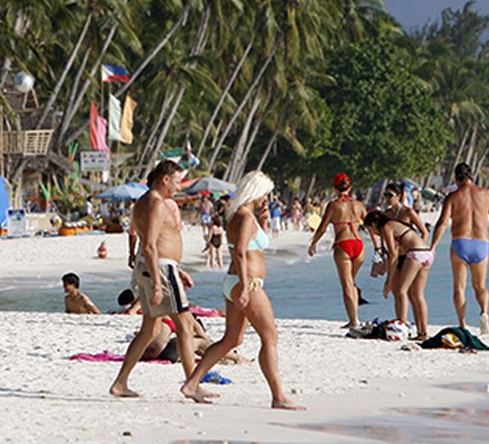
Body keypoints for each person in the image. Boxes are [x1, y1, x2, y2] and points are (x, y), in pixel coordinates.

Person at [180, 171, 302, 410]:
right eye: (265, 193)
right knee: (270, 337)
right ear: (256, 192)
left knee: (232, 339)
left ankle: (192, 383)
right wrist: (245, 287)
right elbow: (240, 252)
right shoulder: (245, 217)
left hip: (235, 281)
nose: (267, 198)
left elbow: (253, 245)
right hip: (247, 283)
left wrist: (264, 221)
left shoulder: (239, 215)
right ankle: (278, 396)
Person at [109, 160, 200, 399]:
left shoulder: (145, 202)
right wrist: (160, 283)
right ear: (165, 179)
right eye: (177, 181)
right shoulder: (156, 203)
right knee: (185, 326)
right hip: (159, 270)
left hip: (158, 268)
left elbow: (154, 243)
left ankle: (120, 383)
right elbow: (149, 246)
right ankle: (192, 384)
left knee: (149, 329)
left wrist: (177, 270)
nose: (179, 187)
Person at [429, 163, 489, 335]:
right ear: (471, 176)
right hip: (481, 244)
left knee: (459, 287)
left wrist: (433, 246)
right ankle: (484, 312)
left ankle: (463, 324)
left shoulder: (453, 197)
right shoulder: (486, 194)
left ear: (456, 179)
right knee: (480, 286)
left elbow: (443, 223)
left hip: (460, 243)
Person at [307, 173, 370, 330]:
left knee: (347, 284)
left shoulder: (333, 206)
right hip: (359, 245)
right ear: (350, 187)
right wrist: (380, 245)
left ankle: (354, 320)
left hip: (343, 244)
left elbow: (322, 227)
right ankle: (354, 316)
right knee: (351, 282)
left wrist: (313, 243)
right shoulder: (359, 205)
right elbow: (371, 225)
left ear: (335, 188)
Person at [363, 210, 433, 340]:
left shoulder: (386, 227)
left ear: (373, 224)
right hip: (427, 253)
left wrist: (388, 281)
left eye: (369, 229)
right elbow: (394, 253)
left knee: (401, 291)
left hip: (415, 253)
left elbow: (393, 255)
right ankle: (422, 333)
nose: (371, 233)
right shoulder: (395, 225)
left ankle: (401, 326)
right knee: (417, 295)